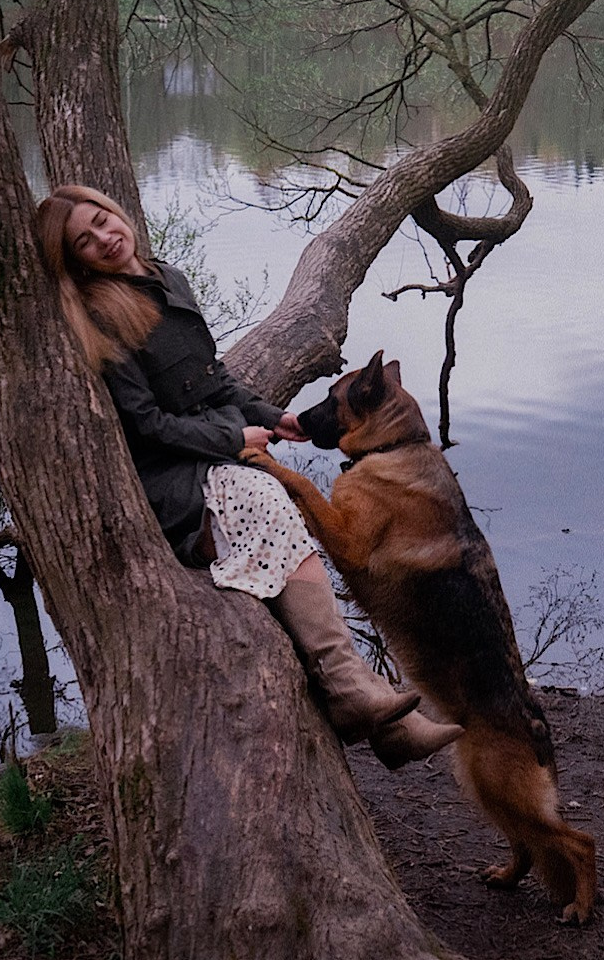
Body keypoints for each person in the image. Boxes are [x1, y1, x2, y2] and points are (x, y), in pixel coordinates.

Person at [35, 184, 462, 768]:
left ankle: (372, 713)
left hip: (210, 450)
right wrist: (234, 439)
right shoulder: (100, 317)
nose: (105, 239)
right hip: (170, 474)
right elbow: (145, 424)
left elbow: (215, 382)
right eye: (85, 241)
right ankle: (354, 693)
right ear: (76, 260)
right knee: (268, 491)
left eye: (103, 221)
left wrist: (270, 416)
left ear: (118, 212)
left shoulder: (169, 278)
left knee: (271, 495)